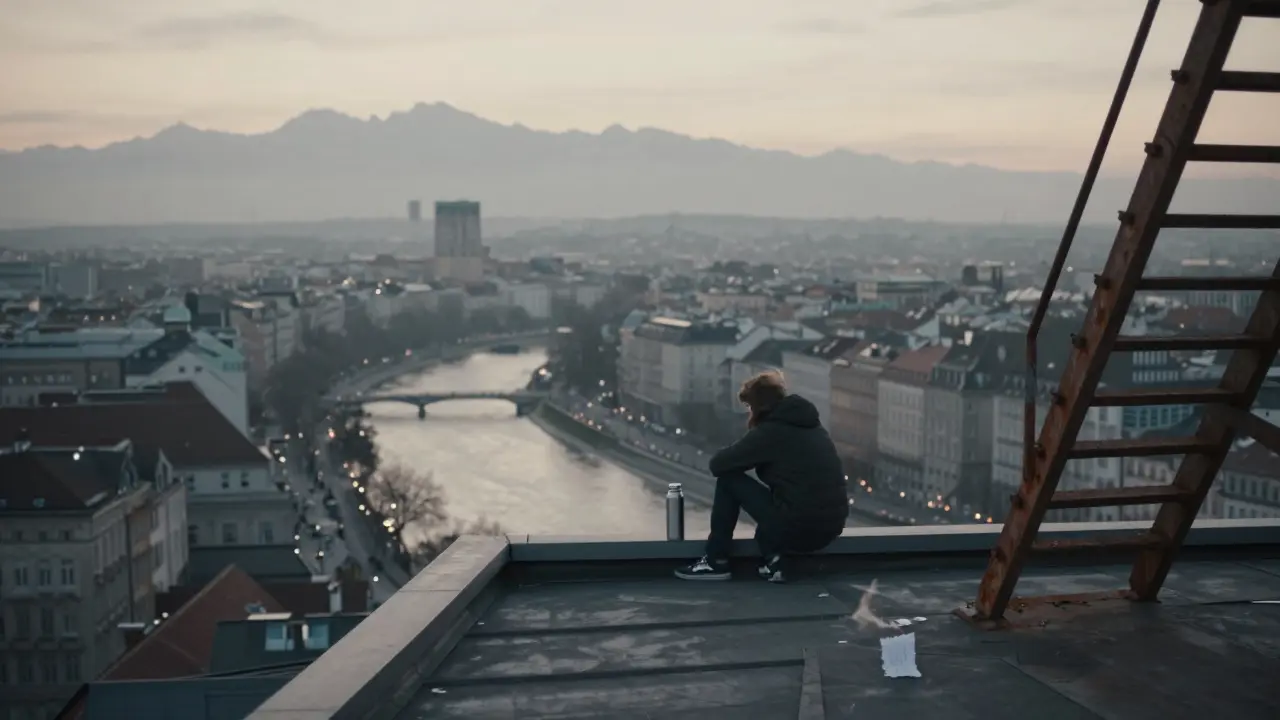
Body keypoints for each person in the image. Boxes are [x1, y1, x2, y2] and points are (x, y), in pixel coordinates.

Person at [675, 370, 848, 583]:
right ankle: (775, 562)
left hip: (800, 530)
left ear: (758, 406)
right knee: (783, 505)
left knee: (729, 481)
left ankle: (716, 561)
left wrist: (748, 445)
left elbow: (718, 464)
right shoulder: (812, 426)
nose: (749, 413)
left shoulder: (771, 432)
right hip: (830, 528)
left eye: (749, 407)